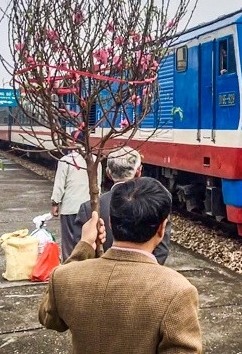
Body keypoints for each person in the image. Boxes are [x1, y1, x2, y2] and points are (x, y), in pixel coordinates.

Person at [38, 177, 202, 354]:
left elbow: (48, 318)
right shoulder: (177, 291)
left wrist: (84, 245)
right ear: (161, 229)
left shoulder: (65, 278)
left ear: (109, 221)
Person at [73, 146, 171, 264]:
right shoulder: (156, 205)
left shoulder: (88, 209)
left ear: (108, 173)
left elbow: (80, 252)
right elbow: (161, 252)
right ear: (139, 171)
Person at [50, 133, 102, 261]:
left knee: (69, 243)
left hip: (69, 208)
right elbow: (97, 187)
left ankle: (68, 267)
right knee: (86, 242)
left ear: (72, 142)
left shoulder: (65, 160)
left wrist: (55, 203)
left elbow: (59, 185)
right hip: (88, 209)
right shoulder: (96, 161)